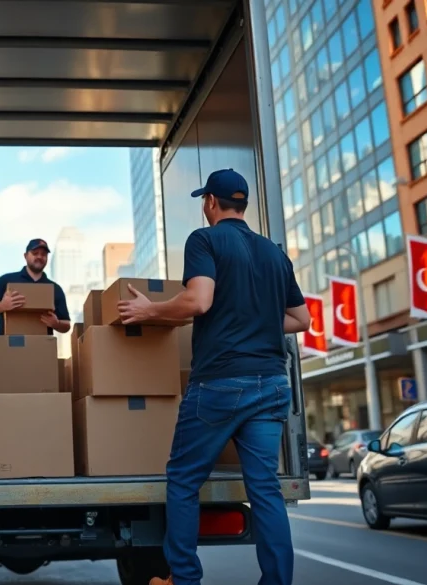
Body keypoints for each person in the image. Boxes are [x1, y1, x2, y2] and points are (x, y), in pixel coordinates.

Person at [117, 169, 311, 585]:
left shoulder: (204, 240)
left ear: (210, 202)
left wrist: (151, 310)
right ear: (243, 204)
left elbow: (199, 300)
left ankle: (184, 579)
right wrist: (256, 317)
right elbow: (301, 319)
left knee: (184, 479)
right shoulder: (275, 253)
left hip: (221, 383)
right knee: (265, 489)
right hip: (271, 383)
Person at [0, 238, 72, 475]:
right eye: (35, 252)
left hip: (39, 358)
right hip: (7, 354)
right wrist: (2, 305)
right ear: (26, 256)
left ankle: (37, 459)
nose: (39, 256)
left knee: (39, 409)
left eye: (44, 253)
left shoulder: (54, 289)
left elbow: (66, 325)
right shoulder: (7, 281)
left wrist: (56, 323)